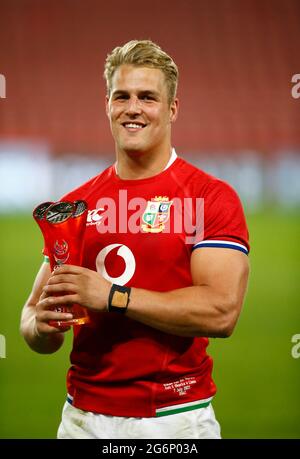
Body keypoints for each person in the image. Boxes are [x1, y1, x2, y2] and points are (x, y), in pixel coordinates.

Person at [20, 39, 250, 439]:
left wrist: (112, 296)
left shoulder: (208, 196)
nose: (132, 108)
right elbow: (32, 319)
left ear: (172, 108)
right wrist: (39, 327)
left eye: (148, 97)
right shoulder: (75, 205)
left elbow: (221, 312)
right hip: (81, 420)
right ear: (107, 105)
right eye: (121, 96)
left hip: (176, 419)